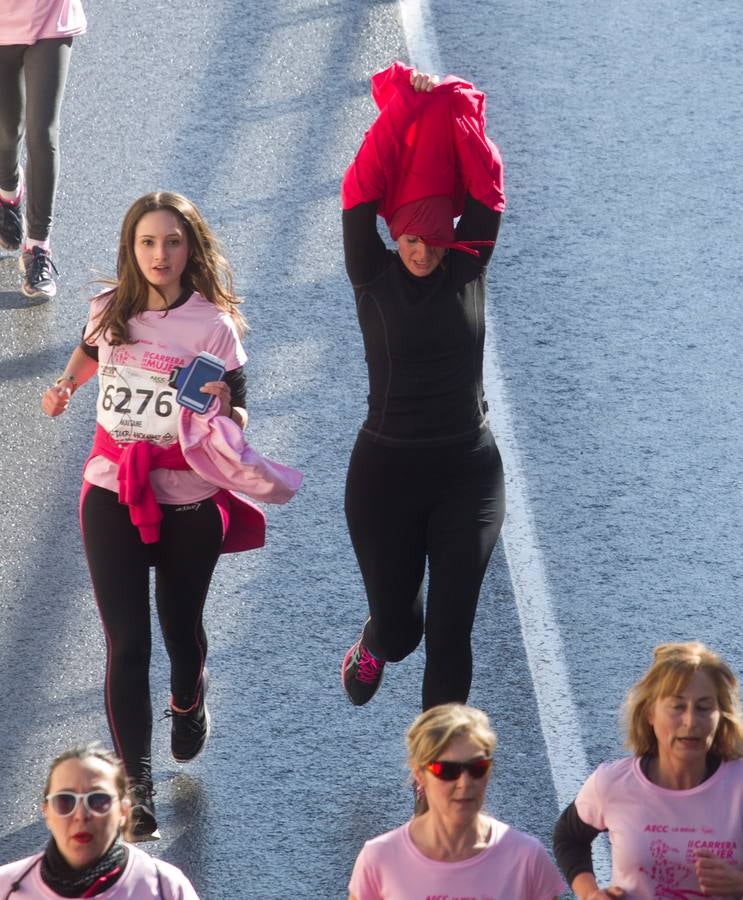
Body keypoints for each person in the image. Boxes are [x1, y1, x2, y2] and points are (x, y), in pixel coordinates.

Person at [41, 191, 301, 842]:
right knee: (127, 645)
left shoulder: (212, 324)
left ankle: (188, 698)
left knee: (180, 631)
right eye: (148, 243)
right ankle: (137, 790)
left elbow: (240, 406)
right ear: (132, 249)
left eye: (172, 242)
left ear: (191, 249)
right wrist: (68, 385)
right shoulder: (109, 309)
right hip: (112, 488)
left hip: (188, 497)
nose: (160, 255)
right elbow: (91, 351)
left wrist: (224, 409)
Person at [340, 63, 506, 710]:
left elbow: (487, 190)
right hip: (385, 474)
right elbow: (359, 187)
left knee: (450, 631)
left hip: (468, 469)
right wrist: (404, 108)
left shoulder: (468, 267)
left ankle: (432, 781)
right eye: (410, 236)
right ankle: (377, 639)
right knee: (404, 632)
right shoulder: (370, 274)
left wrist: (454, 108)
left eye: (435, 238)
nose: (421, 250)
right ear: (394, 231)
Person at [553, 641, 743, 899]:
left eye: (704, 707)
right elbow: (568, 837)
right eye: (677, 706)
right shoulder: (612, 784)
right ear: (650, 714)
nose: (691, 721)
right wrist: (589, 894)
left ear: (721, 715)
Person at [348, 704, 565, 899]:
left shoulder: (526, 858)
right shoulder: (379, 859)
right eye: (447, 770)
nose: (465, 783)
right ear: (420, 775)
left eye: (478, 768)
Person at [0, 744, 198, 898]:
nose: (81, 815)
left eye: (98, 800)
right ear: (47, 813)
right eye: (65, 801)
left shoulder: (165, 888)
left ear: (123, 810)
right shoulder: (7, 887)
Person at [0, 0, 86, 299]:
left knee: (43, 134)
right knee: (7, 130)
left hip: (51, 18)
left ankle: (38, 247)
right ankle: (9, 191)